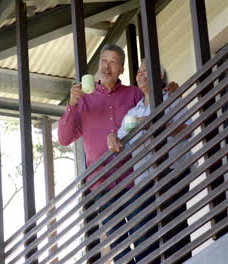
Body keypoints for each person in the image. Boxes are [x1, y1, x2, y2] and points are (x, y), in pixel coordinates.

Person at [58, 43, 143, 263]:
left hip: (133, 176)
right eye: (104, 61)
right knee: (119, 246)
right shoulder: (83, 100)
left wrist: (168, 88)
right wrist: (72, 104)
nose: (107, 67)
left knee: (144, 237)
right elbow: (64, 139)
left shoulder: (133, 94)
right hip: (102, 184)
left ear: (121, 69)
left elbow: (151, 108)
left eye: (113, 62)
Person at [107, 62, 192, 263]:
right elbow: (120, 142)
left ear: (160, 75)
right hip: (145, 178)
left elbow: (188, 130)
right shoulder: (132, 114)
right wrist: (112, 136)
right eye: (138, 72)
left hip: (172, 171)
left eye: (146, 70)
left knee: (174, 226)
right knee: (147, 233)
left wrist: (158, 124)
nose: (141, 74)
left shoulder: (171, 98)